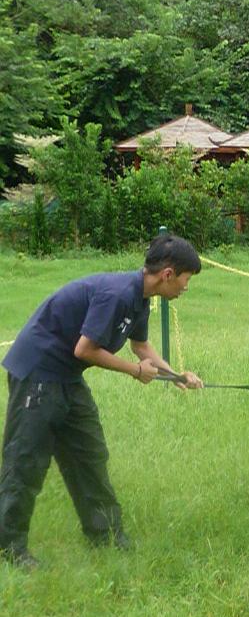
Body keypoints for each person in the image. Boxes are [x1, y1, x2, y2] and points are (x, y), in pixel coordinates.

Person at [0, 234, 204, 570]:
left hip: (66, 377)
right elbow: (86, 349)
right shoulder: (117, 294)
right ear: (168, 274)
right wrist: (135, 372)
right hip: (38, 371)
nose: (186, 287)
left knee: (89, 453)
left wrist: (176, 376)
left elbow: (142, 347)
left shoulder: (140, 298)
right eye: (186, 279)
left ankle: (106, 535)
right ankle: (10, 549)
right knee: (26, 460)